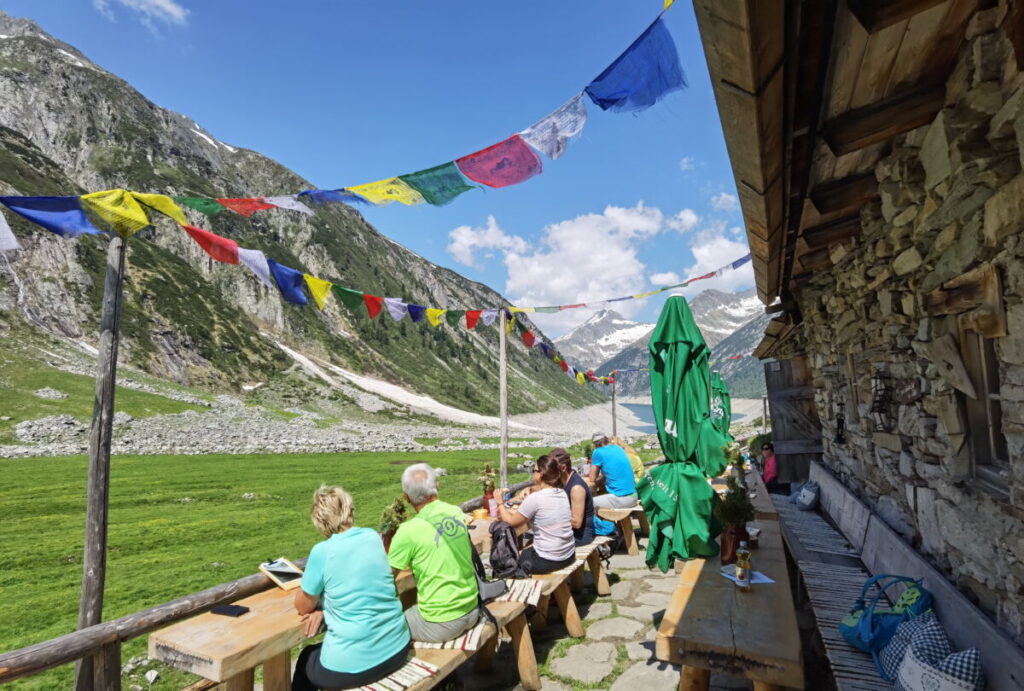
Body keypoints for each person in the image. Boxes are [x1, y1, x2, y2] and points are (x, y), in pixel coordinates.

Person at [293, 486, 410, 691]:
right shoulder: (373, 537)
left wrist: (318, 601)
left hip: (355, 664)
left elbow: (303, 606)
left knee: (306, 659)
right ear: (349, 511)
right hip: (397, 647)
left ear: (320, 521)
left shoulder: (322, 551)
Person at [387, 463, 480, 643]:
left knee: (387, 627)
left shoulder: (408, 531)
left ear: (406, 497)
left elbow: (387, 577)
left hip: (440, 622)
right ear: (437, 487)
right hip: (472, 608)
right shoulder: (456, 512)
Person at [498, 454, 575, 576]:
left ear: (541, 474)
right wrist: (531, 490)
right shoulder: (562, 492)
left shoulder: (536, 498)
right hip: (568, 554)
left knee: (514, 559)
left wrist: (499, 503)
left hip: (550, 560)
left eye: (534, 470)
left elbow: (511, 522)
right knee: (528, 546)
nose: (533, 473)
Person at [550, 447, 594, 546]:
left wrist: (550, 514)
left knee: (538, 543)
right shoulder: (562, 480)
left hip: (580, 536)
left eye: (552, 469)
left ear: (563, 468)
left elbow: (577, 523)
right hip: (568, 532)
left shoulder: (576, 488)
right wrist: (530, 490)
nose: (549, 472)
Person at [589, 434, 638, 508]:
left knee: (586, 503)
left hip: (620, 499)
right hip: (634, 497)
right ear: (607, 440)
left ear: (595, 444)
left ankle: (596, 520)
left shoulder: (598, 452)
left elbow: (592, 478)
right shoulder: (618, 448)